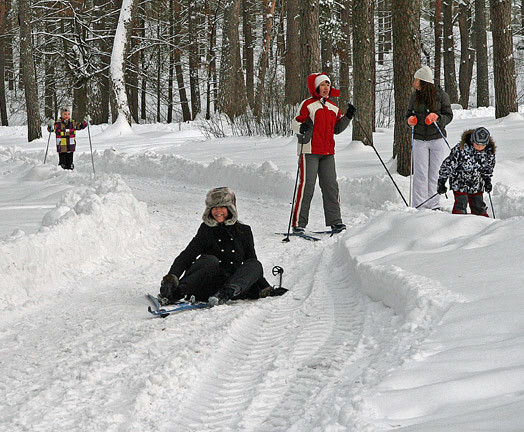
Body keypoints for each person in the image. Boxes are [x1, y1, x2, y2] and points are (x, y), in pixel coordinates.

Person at [159, 187, 287, 307]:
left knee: (255, 264)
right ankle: (176, 293)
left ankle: (223, 295)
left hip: (231, 286)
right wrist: (171, 279)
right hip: (208, 284)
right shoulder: (206, 230)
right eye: (214, 207)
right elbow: (187, 256)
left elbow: (251, 264)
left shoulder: (244, 231)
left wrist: (265, 288)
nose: (218, 211)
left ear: (231, 209)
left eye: (222, 207)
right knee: (209, 260)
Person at [290, 72, 356, 234]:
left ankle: (336, 222)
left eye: (328, 84)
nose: (326, 88)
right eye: (322, 85)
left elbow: (337, 129)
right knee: (307, 186)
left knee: (331, 186)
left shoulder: (334, 107)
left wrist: (348, 116)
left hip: (327, 153)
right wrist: (301, 128)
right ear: (316, 87)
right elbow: (295, 123)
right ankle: (299, 223)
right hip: (310, 151)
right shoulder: (308, 104)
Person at [407, 65, 453, 210]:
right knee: (420, 173)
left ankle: (434, 204)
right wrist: (410, 120)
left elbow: (449, 115)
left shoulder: (441, 95)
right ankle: (419, 205)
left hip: (437, 138)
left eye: (416, 80)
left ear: (424, 81)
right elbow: (408, 114)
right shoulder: (414, 96)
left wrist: (437, 117)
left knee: (435, 173)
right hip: (420, 139)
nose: (414, 82)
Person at [437, 127, 496, 217]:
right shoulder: (461, 149)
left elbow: (487, 169)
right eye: (477, 144)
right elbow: (448, 165)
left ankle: (483, 224)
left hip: (477, 184)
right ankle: (458, 224)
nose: (480, 147)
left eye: (483, 145)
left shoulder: (489, 153)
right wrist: (442, 181)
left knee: (478, 205)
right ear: (472, 141)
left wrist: (487, 181)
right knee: (461, 204)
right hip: (459, 183)